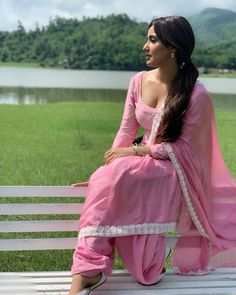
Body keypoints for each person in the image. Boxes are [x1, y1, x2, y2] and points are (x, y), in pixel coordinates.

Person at [68, 16, 236, 295]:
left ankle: (91, 272)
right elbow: (126, 129)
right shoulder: (138, 81)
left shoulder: (196, 95)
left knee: (122, 175)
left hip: (170, 169)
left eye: (152, 40)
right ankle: (88, 270)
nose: (144, 46)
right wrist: (109, 167)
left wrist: (136, 151)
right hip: (138, 168)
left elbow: (185, 149)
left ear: (173, 48)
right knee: (110, 176)